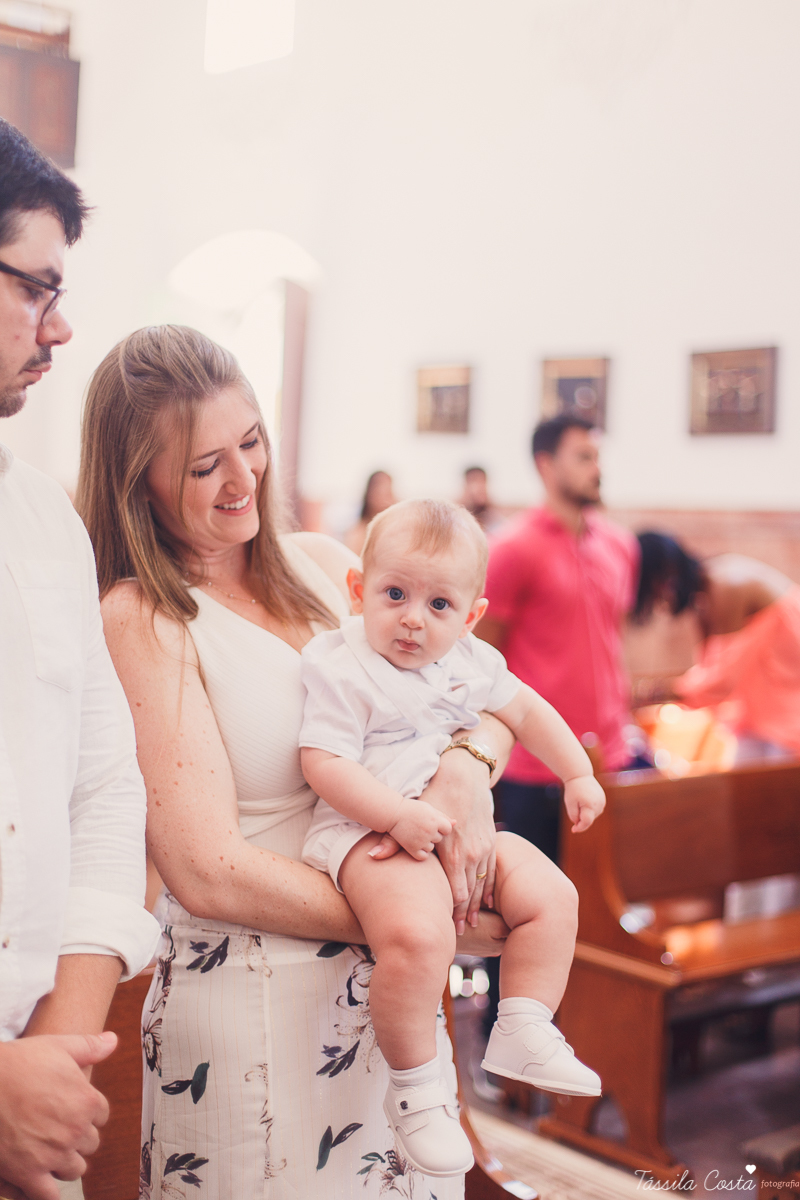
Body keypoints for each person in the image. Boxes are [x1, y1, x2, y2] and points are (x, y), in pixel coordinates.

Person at [77, 325, 514, 1200]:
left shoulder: (324, 567)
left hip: (387, 995)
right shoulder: (143, 616)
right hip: (255, 1006)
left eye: (251, 442)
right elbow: (207, 870)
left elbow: (490, 697)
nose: (243, 479)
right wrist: (426, 923)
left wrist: (466, 768)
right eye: (204, 467)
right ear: (138, 482)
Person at [299, 499, 604, 1178]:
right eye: (395, 594)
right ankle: (415, 1091)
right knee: (419, 935)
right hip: (368, 834)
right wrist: (394, 816)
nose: (414, 618)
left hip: (455, 830)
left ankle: (523, 1024)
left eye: (439, 605)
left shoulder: (471, 660)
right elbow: (322, 762)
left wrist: (577, 772)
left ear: (470, 615)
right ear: (359, 590)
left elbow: (528, 711)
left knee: (553, 894)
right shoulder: (343, 664)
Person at [0, 119, 159, 1200]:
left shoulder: (45, 523)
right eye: (37, 288)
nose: (59, 328)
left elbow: (105, 790)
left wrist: (54, 1055)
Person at [478, 413, 640, 863]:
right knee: (536, 892)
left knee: (608, 892)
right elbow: (485, 655)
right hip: (536, 765)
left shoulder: (620, 545)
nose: (597, 468)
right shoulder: (512, 548)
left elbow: (613, 643)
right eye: (584, 457)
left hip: (610, 755)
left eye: (597, 456)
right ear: (545, 465)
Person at [634, 531, 800, 762]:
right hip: (759, 710)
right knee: (744, 770)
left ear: (666, 574)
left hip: (787, 701)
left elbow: (722, 678)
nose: (662, 599)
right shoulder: (703, 594)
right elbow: (709, 666)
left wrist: (666, 692)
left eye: (656, 590)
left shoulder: (724, 584)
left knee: (779, 776)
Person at [344, 469, 397, 554]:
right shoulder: (357, 533)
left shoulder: (398, 530)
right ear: (369, 494)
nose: (385, 499)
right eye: (379, 491)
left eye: (388, 492)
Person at [458, 466, 504, 534]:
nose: (480, 487)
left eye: (483, 481)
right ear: (465, 486)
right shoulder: (457, 520)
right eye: (474, 482)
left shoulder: (495, 519)